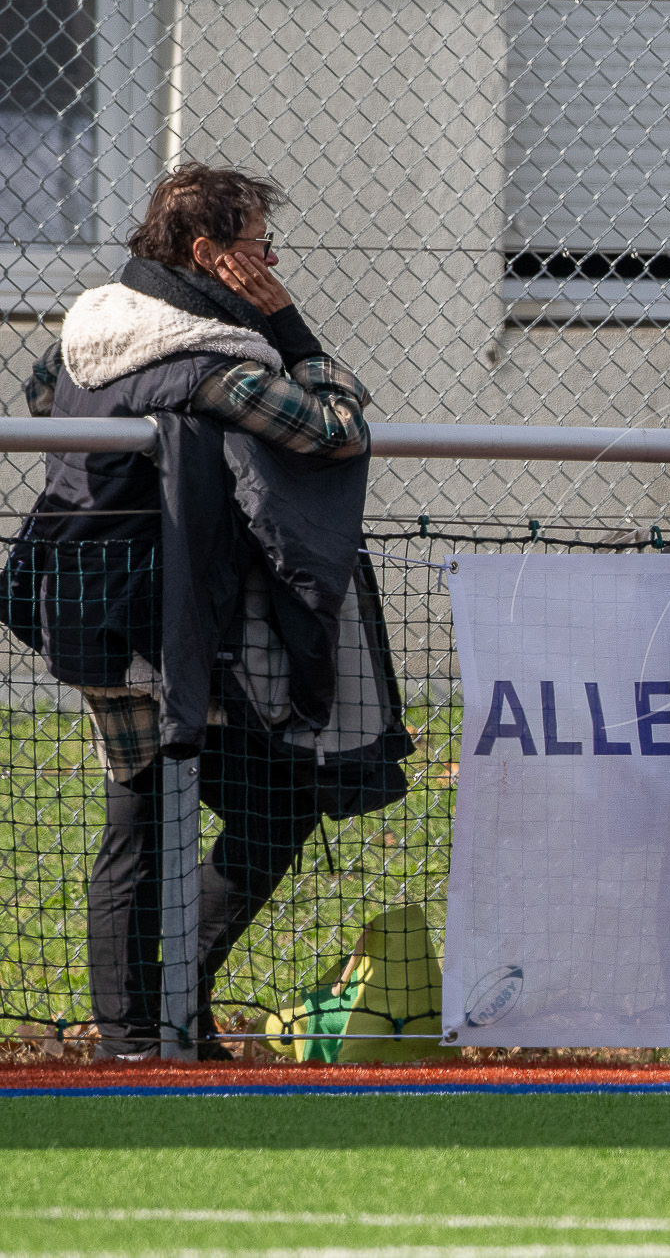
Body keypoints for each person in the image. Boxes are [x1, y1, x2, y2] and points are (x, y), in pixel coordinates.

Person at [11, 162, 410, 1059]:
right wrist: (284, 318)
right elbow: (338, 425)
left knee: (166, 814)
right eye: (259, 246)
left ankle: (146, 1024)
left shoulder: (93, 325)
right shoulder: (214, 365)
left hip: (89, 607)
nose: (270, 258)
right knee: (222, 813)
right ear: (209, 254)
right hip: (174, 621)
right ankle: (146, 1030)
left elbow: (47, 394)